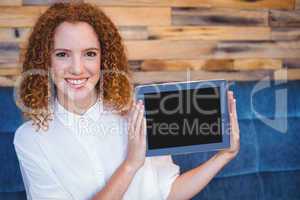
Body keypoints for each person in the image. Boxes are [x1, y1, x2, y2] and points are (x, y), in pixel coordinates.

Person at [13, 2, 240, 200]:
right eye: (62, 54)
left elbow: (167, 192)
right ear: (45, 61)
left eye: (90, 53)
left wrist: (223, 156)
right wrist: (131, 164)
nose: (77, 68)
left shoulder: (138, 112)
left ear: (104, 58)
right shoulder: (31, 139)